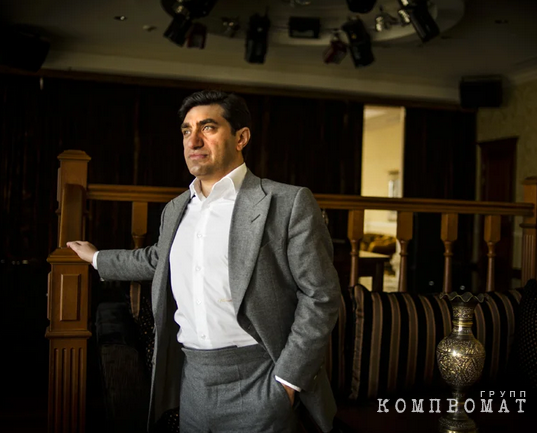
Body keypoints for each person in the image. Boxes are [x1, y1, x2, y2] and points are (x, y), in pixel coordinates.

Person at [67, 90, 341, 433]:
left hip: (262, 377)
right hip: (192, 380)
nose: (193, 140)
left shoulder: (287, 202)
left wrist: (287, 382)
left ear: (241, 137)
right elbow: (158, 259)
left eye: (208, 127)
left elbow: (321, 295)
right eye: (187, 130)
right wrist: (95, 257)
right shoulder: (176, 208)